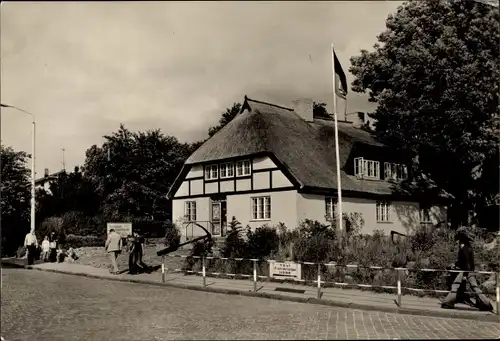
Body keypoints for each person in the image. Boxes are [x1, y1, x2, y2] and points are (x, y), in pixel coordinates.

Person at [441, 226, 493, 311]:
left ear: (462, 239)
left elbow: (465, 260)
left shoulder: (464, 247)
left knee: (455, 285)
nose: (458, 242)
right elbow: (466, 260)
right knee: (474, 287)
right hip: (468, 269)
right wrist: (456, 264)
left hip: (464, 270)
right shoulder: (468, 247)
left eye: (459, 240)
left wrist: (460, 268)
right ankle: (486, 303)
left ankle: (448, 302)